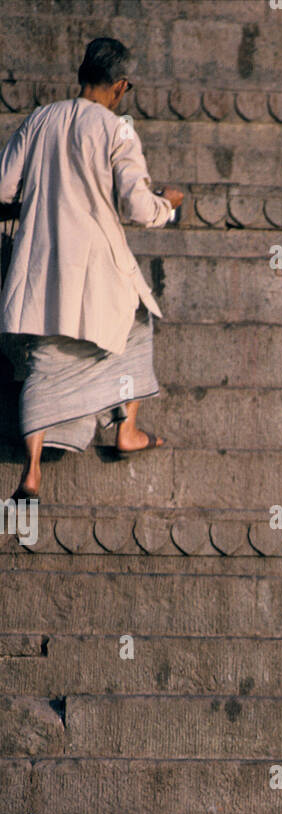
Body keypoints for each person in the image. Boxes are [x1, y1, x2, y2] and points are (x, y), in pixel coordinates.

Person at [0, 37, 183, 499]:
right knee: (138, 325)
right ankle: (127, 431)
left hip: (40, 264)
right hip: (99, 266)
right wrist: (169, 205)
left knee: (45, 361)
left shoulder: (40, 118)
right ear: (121, 86)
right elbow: (139, 208)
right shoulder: (116, 129)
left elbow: (3, 189)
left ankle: (33, 472)